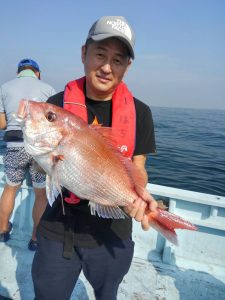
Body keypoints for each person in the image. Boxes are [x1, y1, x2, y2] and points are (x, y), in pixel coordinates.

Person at [32, 16, 158, 300]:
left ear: (127, 66)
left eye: (117, 59)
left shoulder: (141, 113)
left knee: (107, 294)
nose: (106, 67)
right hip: (59, 227)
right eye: (100, 54)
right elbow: (44, 166)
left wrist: (139, 197)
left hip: (113, 232)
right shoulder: (56, 105)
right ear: (83, 53)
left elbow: (138, 169)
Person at [0, 59, 56, 251]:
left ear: (19, 72)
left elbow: (1, 124)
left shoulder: (4, 88)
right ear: (37, 73)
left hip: (15, 145)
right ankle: (34, 239)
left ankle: (3, 230)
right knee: (41, 194)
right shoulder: (48, 89)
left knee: (10, 188)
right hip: (39, 149)